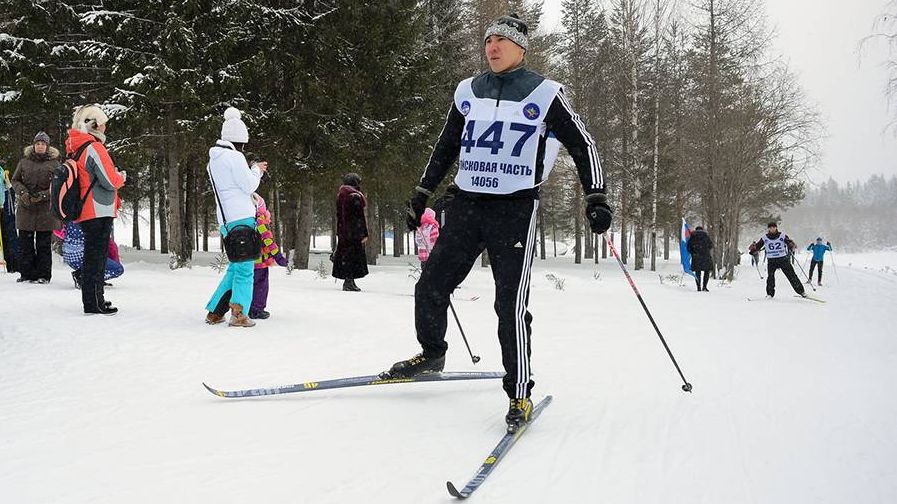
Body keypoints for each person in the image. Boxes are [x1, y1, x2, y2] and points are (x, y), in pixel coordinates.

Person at [384, 13, 612, 433]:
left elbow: (584, 143)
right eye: (488, 39)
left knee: (508, 304)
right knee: (430, 285)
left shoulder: (544, 93)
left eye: (502, 41)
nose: (492, 46)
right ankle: (432, 352)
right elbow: (446, 146)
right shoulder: (468, 90)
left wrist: (595, 196)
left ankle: (518, 391)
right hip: (467, 204)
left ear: (521, 49)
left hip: (513, 210)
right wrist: (421, 193)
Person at [204, 107, 267, 327]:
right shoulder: (235, 157)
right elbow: (248, 184)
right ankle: (239, 314)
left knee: (235, 268)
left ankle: (215, 311)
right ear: (239, 141)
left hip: (226, 222)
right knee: (245, 271)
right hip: (242, 219)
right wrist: (256, 169)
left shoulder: (213, 160)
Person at [66, 105, 126, 315]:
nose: (105, 128)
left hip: (86, 209)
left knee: (93, 256)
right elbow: (109, 180)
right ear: (94, 124)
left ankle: (95, 300)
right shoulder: (94, 147)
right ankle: (94, 302)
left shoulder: (77, 146)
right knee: (96, 258)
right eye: (103, 123)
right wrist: (121, 177)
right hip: (97, 209)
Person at [11, 132, 59, 283]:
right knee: (25, 243)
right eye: (38, 143)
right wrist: (23, 193)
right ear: (33, 145)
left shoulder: (55, 164)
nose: (40, 146)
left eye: (43, 144)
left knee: (43, 244)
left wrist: (44, 195)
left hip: (45, 210)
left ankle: (43, 275)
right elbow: (15, 180)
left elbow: (58, 186)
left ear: (47, 146)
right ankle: (26, 273)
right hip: (26, 207)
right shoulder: (24, 162)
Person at [249, 192, 288, 318]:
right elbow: (268, 240)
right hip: (259, 261)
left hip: (248, 259)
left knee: (250, 284)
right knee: (261, 285)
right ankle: (256, 309)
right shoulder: (260, 222)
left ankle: (249, 307)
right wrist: (278, 256)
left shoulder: (248, 220)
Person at [55, 221, 124, 288]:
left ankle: (91, 277)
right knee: (118, 269)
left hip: (69, 257)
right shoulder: (92, 221)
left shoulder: (72, 218)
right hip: (82, 257)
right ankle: (87, 278)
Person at [748, 222, 806, 299]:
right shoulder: (765, 237)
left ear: (776, 228)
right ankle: (770, 294)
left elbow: (789, 242)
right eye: (770, 227)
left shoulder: (782, 235)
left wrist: (791, 245)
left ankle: (801, 291)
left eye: (773, 227)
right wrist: (753, 250)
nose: (772, 229)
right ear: (768, 229)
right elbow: (758, 245)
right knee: (770, 277)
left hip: (783, 259)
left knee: (791, 275)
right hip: (772, 260)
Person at [331, 173, 369, 292]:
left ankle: (349, 280)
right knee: (353, 256)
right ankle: (349, 281)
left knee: (346, 256)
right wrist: (364, 233)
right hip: (354, 231)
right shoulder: (354, 196)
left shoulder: (341, 194)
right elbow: (359, 217)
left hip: (344, 231)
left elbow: (339, 215)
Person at [686, 225, 713, 292]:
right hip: (706, 257)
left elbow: (689, 247)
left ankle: (698, 287)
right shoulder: (706, 235)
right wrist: (706, 251)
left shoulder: (692, 236)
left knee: (698, 272)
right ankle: (704, 287)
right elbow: (710, 245)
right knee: (706, 272)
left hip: (696, 257)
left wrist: (693, 253)